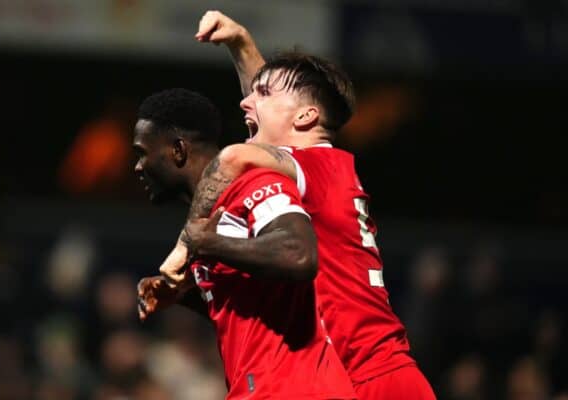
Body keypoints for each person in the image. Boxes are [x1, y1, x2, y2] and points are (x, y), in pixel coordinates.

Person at [152, 11, 436, 400]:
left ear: (306, 116)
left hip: (374, 378)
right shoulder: (320, 169)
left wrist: (187, 245)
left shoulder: (319, 166)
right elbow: (277, 104)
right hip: (359, 376)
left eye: (262, 94)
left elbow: (233, 157)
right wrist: (242, 44)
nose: (246, 102)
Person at [133, 88, 357, 399]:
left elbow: (300, 254)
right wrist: (182, 295)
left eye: (142, 153)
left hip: (297, 390)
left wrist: (205, 242)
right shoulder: (211, 217)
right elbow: (250, 306)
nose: (138, 166)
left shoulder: (254, 184)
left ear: (178, 151)